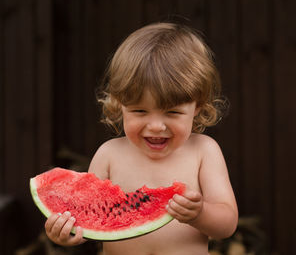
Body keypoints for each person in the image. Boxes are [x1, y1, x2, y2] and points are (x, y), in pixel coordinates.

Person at [44, 22, 238, 255]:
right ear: (119, 103)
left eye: (173, 112)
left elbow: (227, 224)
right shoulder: (109, 154)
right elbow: (86, 217)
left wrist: (200, 214)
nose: (156, 126)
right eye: (139, 111)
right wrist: (65, 231)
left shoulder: (204, 151)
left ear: (197, 106)